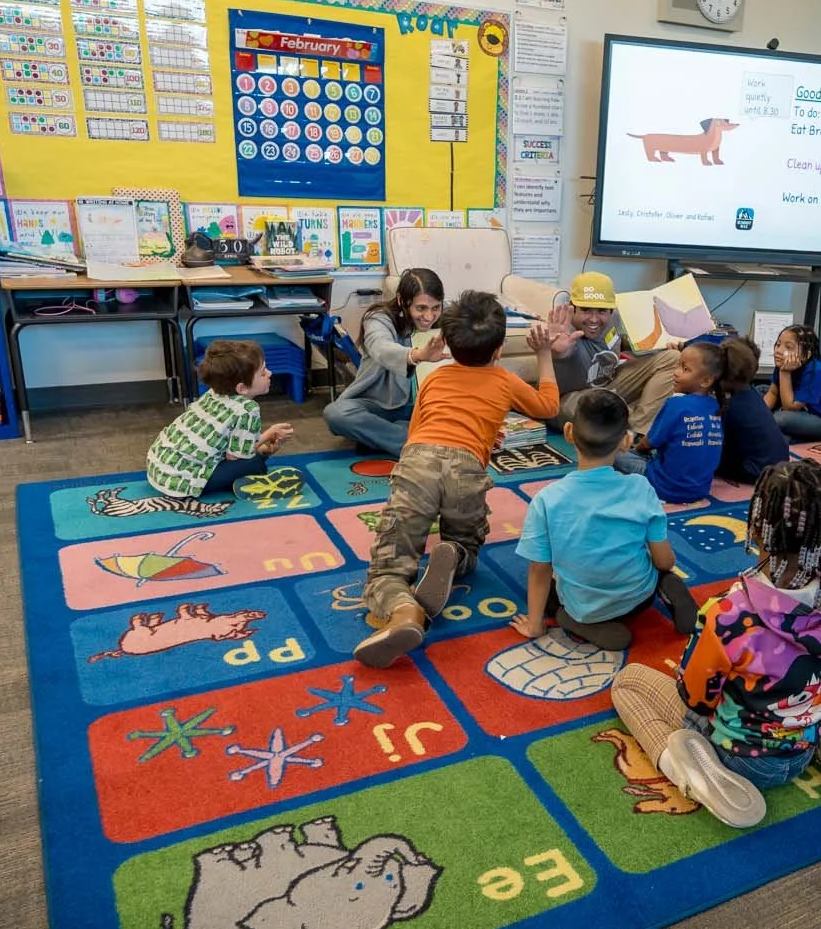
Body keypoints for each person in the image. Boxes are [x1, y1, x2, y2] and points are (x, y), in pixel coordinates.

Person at [608, 460, 821, 829]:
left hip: (744, 757)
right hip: (803, 740)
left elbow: (696, 698)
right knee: (816, 685)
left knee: (629, 681)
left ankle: (691, 768)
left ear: (757, 530)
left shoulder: (729, 614)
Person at [356, 292, 559, 667]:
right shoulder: (505, 379)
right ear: (499, 348)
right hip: (467, 470)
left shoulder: (435, 378)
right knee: (467, 542)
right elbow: (549, 407)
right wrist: (544, 354)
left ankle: (404, 611)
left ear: (447, 342)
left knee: (387, 567)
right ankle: (455, 555)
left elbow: (415, 434)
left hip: (418, 463)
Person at [512, 389, 698, 650]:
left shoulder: (547, 500)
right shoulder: (641, 488)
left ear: (568, 433)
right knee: (655, 566)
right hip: (638, 596)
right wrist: (664, 570)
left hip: (585, 605)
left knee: (549, 593)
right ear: (626, 442)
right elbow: (663, 560)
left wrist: (534, 624)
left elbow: (539, 569)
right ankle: (665, 585)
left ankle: (576, 622)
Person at [145, 339, 295, 499]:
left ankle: (259, 457)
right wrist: (269, 434)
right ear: (242, 388)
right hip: (180, 481)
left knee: (251, 455)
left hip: (157, 467)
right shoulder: (247, 409)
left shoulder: (213, 393)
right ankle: (253, 482)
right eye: (263, 373)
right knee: (254, 463)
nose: (270, 373)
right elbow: (236, 456)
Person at [322, 267, 444, 456]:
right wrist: (418, 355)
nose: (429, 317)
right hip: (381, 405)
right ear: (402, 301)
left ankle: (379, 438)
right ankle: (411, 442)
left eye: (435, 308)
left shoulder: (447, 319)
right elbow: (381, 347)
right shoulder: (378, 318)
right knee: (336, 414)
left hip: (427, 407)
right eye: (421, 308)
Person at [546, 271, 682, 435]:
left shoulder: (614, 319)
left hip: (610, 385)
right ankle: (627, 419)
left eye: (602, 311)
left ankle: (636, 429)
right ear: (572, 308)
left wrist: (659, 345)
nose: (594, 319)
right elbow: (562, 353)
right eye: (586, 310)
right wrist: (557, 352)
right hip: (570, 400)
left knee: (673, 358)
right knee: (592, 408)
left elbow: (617, 340)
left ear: (611, 310)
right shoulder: (562, 333)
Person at [617, 342, 725, 504]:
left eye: (685, 369)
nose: (676, 372)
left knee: (614, 452)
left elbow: (648, 443)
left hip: (664, 487)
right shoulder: (715, 406)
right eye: (678, 365)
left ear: (706, 381)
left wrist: (636, 450)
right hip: (700, 489)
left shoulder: (675, 404)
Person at [715, 336, 788, 484]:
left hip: (757, 470)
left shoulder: (729, 404)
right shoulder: (751, 392)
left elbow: (716, 440)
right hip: (779, 462)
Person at [765, 323, 821, 443]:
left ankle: (786, 436)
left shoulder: (816, 370)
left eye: (788, 347)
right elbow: (773, 392)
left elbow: (789, 408)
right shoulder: (783, 361)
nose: (779, 351)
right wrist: (759, 413)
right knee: (760, 391)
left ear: (806, 355)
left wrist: (784, 373)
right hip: (802, 410)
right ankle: (779, 432)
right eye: (778, 344)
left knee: (780, 419)